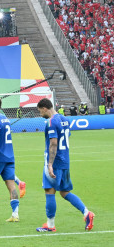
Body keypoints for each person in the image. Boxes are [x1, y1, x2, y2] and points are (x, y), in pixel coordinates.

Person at [35, 99, 95, 232]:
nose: (40, 114)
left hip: (55, 162)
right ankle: (86, 213)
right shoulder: (65, 120)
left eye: (40, 111)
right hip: (65, 161)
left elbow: (54, 143)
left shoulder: (51, 122)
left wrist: (50, 164)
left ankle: (50, 226)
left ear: (44, 108)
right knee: (64, 192)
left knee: (49, 191)